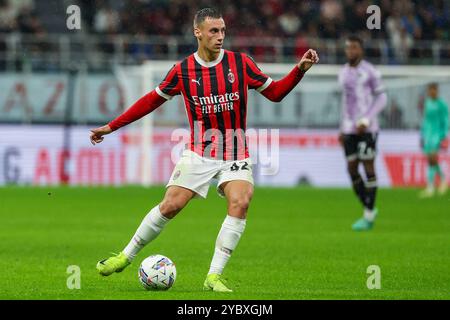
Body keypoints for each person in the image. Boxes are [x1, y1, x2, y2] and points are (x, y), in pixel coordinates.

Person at [90, 8, 319, 292]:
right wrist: (111, 127)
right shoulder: (182, 70)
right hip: (199, 151)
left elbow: (275, 93)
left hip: (236, 152)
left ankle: (213, 276)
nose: (220, 36)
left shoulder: (241, 63)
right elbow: (150, 101)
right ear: (197, 32)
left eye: (223, 30)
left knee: (241, 201)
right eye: (213, 31)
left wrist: (299, 70)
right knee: (171, 205)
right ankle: (125, 256)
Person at [338, 35, 387, 231]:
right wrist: (342, 128)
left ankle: (368, 214)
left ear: (361, 50)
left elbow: (382, 98)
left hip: (368, 129)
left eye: (354, 48)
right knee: (351, 168)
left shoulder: (370, 71)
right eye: (348, 48)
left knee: (368, 166)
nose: (351, 51)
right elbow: (345, 102)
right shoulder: (342, 73)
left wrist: (366, 119)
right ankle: (369, 206)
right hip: (349, 129)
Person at [419, 83, 448, 198]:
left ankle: (430, 187)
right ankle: (443, 180)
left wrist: (443, 134)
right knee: (431, 160)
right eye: (430, 90)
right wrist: (422, 134)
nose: (432, 92)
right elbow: (425, 120)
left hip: (437, 134)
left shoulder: (441, 104)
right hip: (428, 134)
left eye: (434, 90)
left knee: (432, 157)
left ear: (437, 91)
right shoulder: (427, 103)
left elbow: (446, 120)